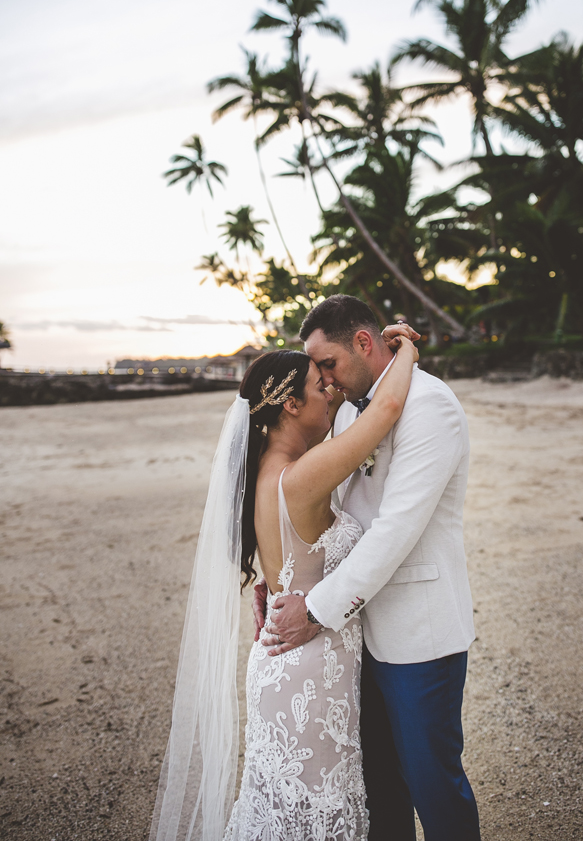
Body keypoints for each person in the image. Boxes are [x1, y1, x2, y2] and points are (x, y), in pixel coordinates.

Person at [150, 334, 418, 841]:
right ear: (291, 404)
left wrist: (275, 588)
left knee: (284, 809)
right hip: (311, 669)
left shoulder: (263, 477)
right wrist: (406, 350)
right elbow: (387, 409)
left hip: (283, 659)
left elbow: (290, 563)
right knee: (317, 809)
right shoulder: (301, 475)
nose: (334, 393)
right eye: (322, 387)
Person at [262, 295, 480, 841]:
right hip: (360, 637)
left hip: (417, 635)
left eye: (328, 365)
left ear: (364, 343)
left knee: (434, 785)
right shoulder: (352, 413)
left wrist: (315, 608)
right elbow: (336, 510)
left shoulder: (429, 406)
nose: (327, 383)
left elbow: (396, 531)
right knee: (379, 789)